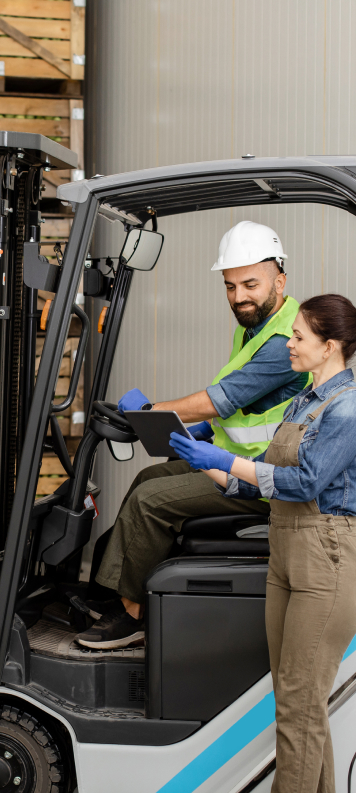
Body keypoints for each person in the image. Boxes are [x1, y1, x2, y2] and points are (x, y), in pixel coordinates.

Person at [76, 220, 310, 650]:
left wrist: (149, 411)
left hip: (259, 477)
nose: (238, 296)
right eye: (230, 286)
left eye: (250, 284)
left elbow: (220, 399)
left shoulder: (285, 340)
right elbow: (246, 407)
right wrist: (201, 429)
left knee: (151, 501)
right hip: (234, 456)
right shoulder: (256, 325)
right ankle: (112, 592)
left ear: (279, 280)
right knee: (147, 478)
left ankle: (133, 614)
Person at [170, 293, 356, 793]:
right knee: (298, 701)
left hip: (327, 558)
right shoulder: (302, 402)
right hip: (286, 552)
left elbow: (305, 482)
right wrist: (202, 459)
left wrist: (225, 459)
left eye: (298, 336)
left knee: (299, 704)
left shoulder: (348, 408)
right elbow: (260, 483)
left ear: (329, 347)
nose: (289, 344)